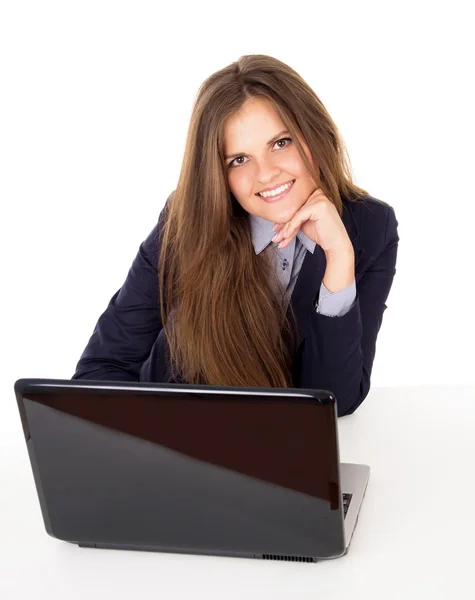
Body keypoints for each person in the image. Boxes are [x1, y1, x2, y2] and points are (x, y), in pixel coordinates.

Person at [72, 54, 399, 417]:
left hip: (283, 458)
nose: (266, 174)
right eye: (239, 160)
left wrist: (339, 258)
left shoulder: (370, 227)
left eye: (281, 142)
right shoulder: (187, 222)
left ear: (315, 134)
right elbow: (101, 370)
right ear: (219, 174)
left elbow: (338, 399)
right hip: (179, 439)